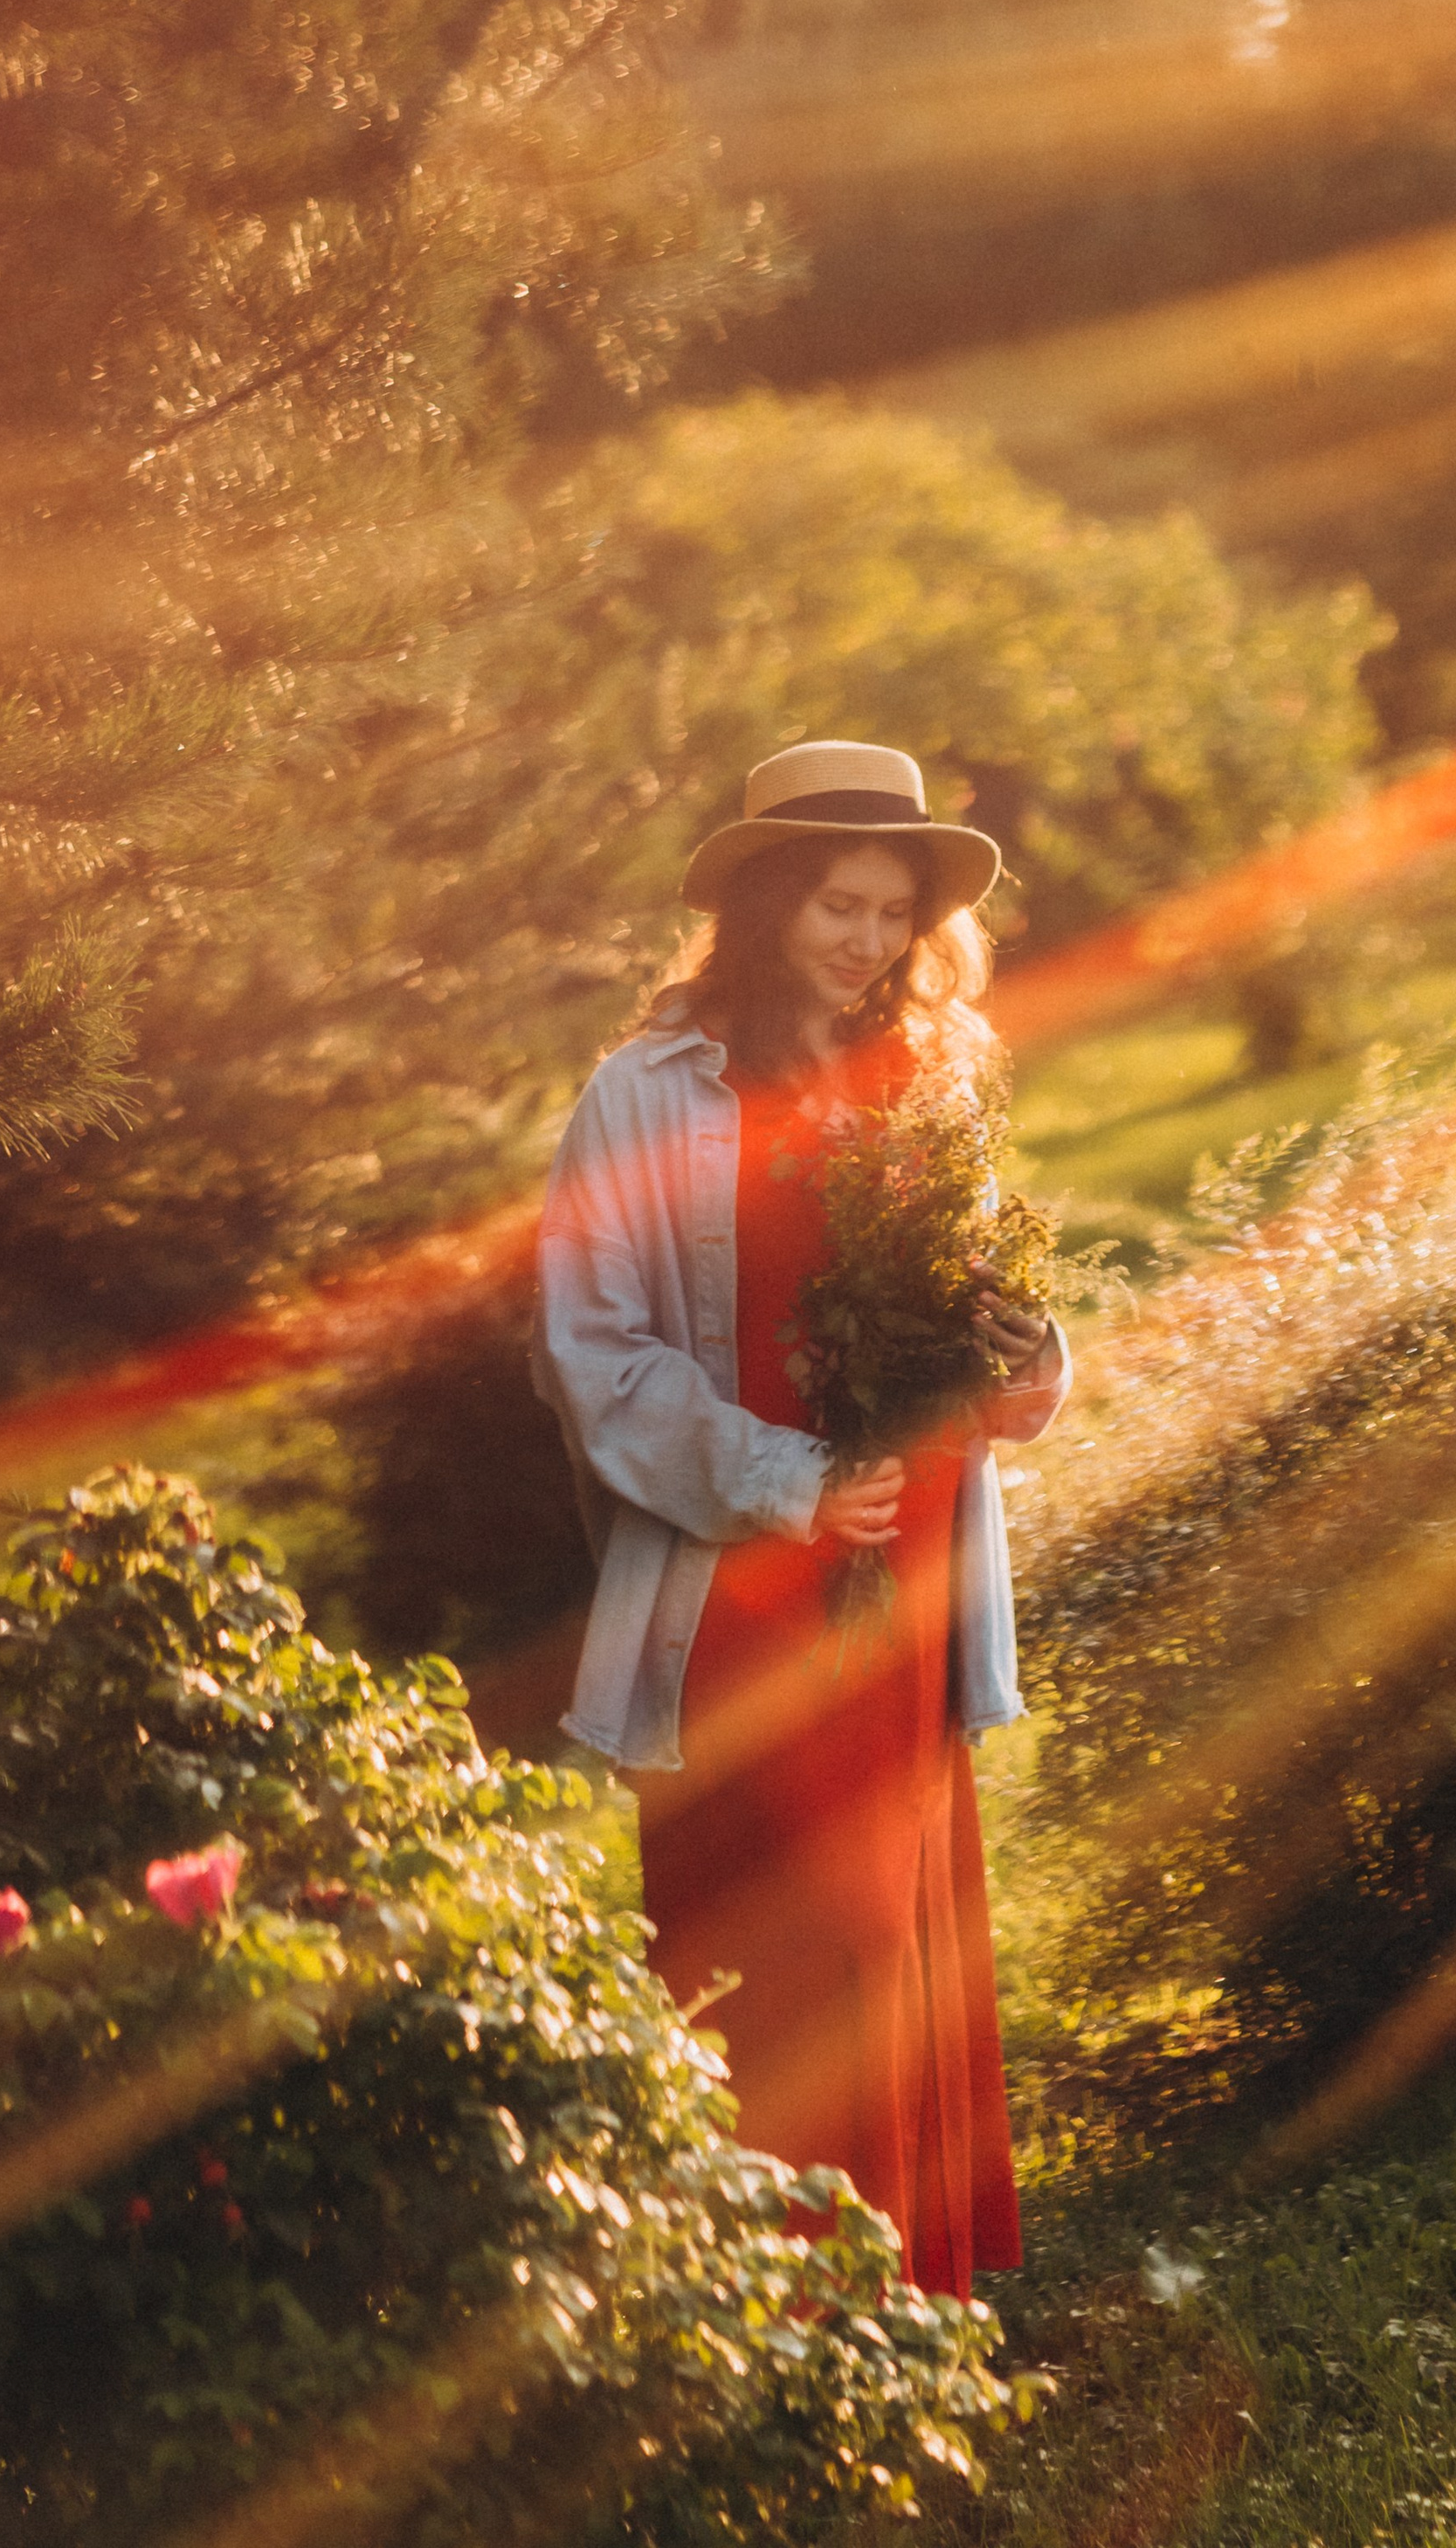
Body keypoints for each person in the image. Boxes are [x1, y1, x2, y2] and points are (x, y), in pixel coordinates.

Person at [531, 740, 1071, 2296]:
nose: (866, 939)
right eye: (838, 902)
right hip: (743, 1566)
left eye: (892, 911)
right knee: (778, 1932)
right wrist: (789, 1480)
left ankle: (908, 2300)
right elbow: (594, 1348)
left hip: (913, 1547)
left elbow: (989, 1288)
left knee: (891, 1923)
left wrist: (1024, 1357)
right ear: (766, 903)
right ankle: (774, 2309)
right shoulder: (645, 1095)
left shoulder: (941, 1067)